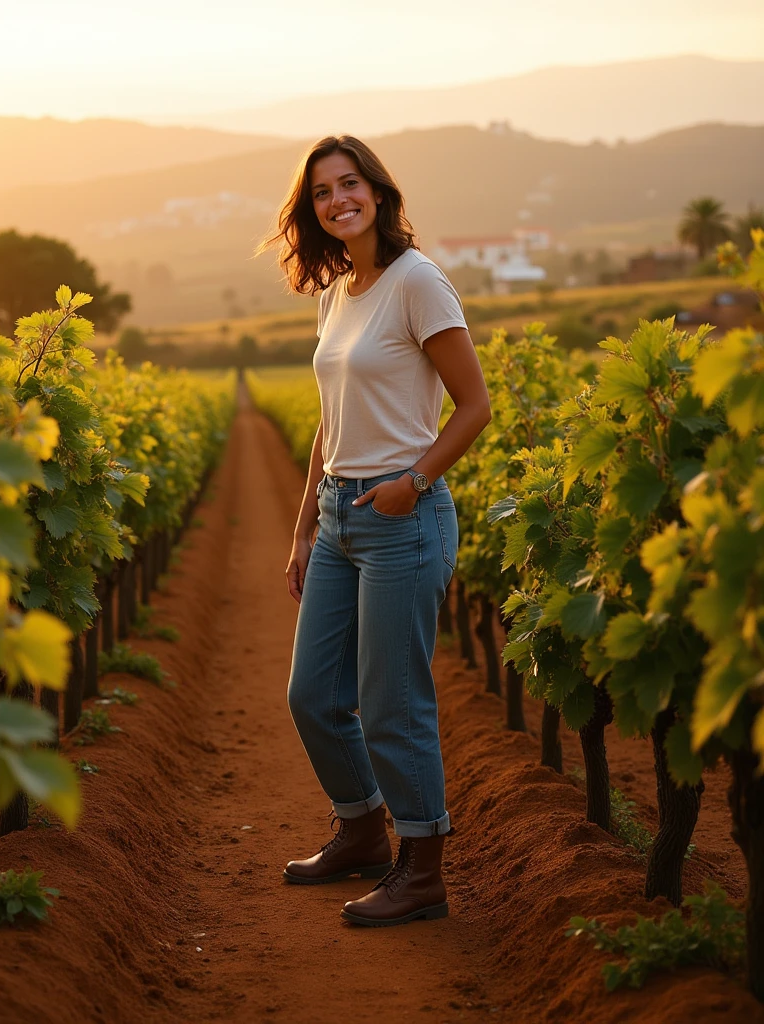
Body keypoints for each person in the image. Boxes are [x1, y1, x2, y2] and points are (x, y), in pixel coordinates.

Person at [259, 135, 491, 927]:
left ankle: (421, 870)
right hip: (337, 517)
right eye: (322, 192)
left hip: (404, 517)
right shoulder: (337, 294)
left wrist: (412, 484)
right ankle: (360, 829)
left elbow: (475, 407)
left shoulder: (418, 282)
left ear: (380, 193)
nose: (337, 200)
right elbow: (330, 425)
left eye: (349, 183)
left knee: (392, 704)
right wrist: (303, 527)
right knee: (313, 696)